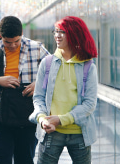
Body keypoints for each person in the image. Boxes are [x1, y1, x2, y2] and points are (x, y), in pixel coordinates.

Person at [29, 16, 98, 164]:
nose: (57, 35)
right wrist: (42, 120)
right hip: (51, 132)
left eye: (62, 32)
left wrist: (61, 119)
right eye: (56, 31)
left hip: (80, 133)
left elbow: (89, 104)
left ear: (75, 34)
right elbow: (38, 97)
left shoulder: (88, 66)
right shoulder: (47, 63)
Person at [0, 16, 49, 164]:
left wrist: (39, 84)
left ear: (22, 34)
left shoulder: (37, 48)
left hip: (27, 118)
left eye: (17, 41)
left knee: (25, 160)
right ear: (0, 35)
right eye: (8, 42)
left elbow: (56, 74)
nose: (13, 45)